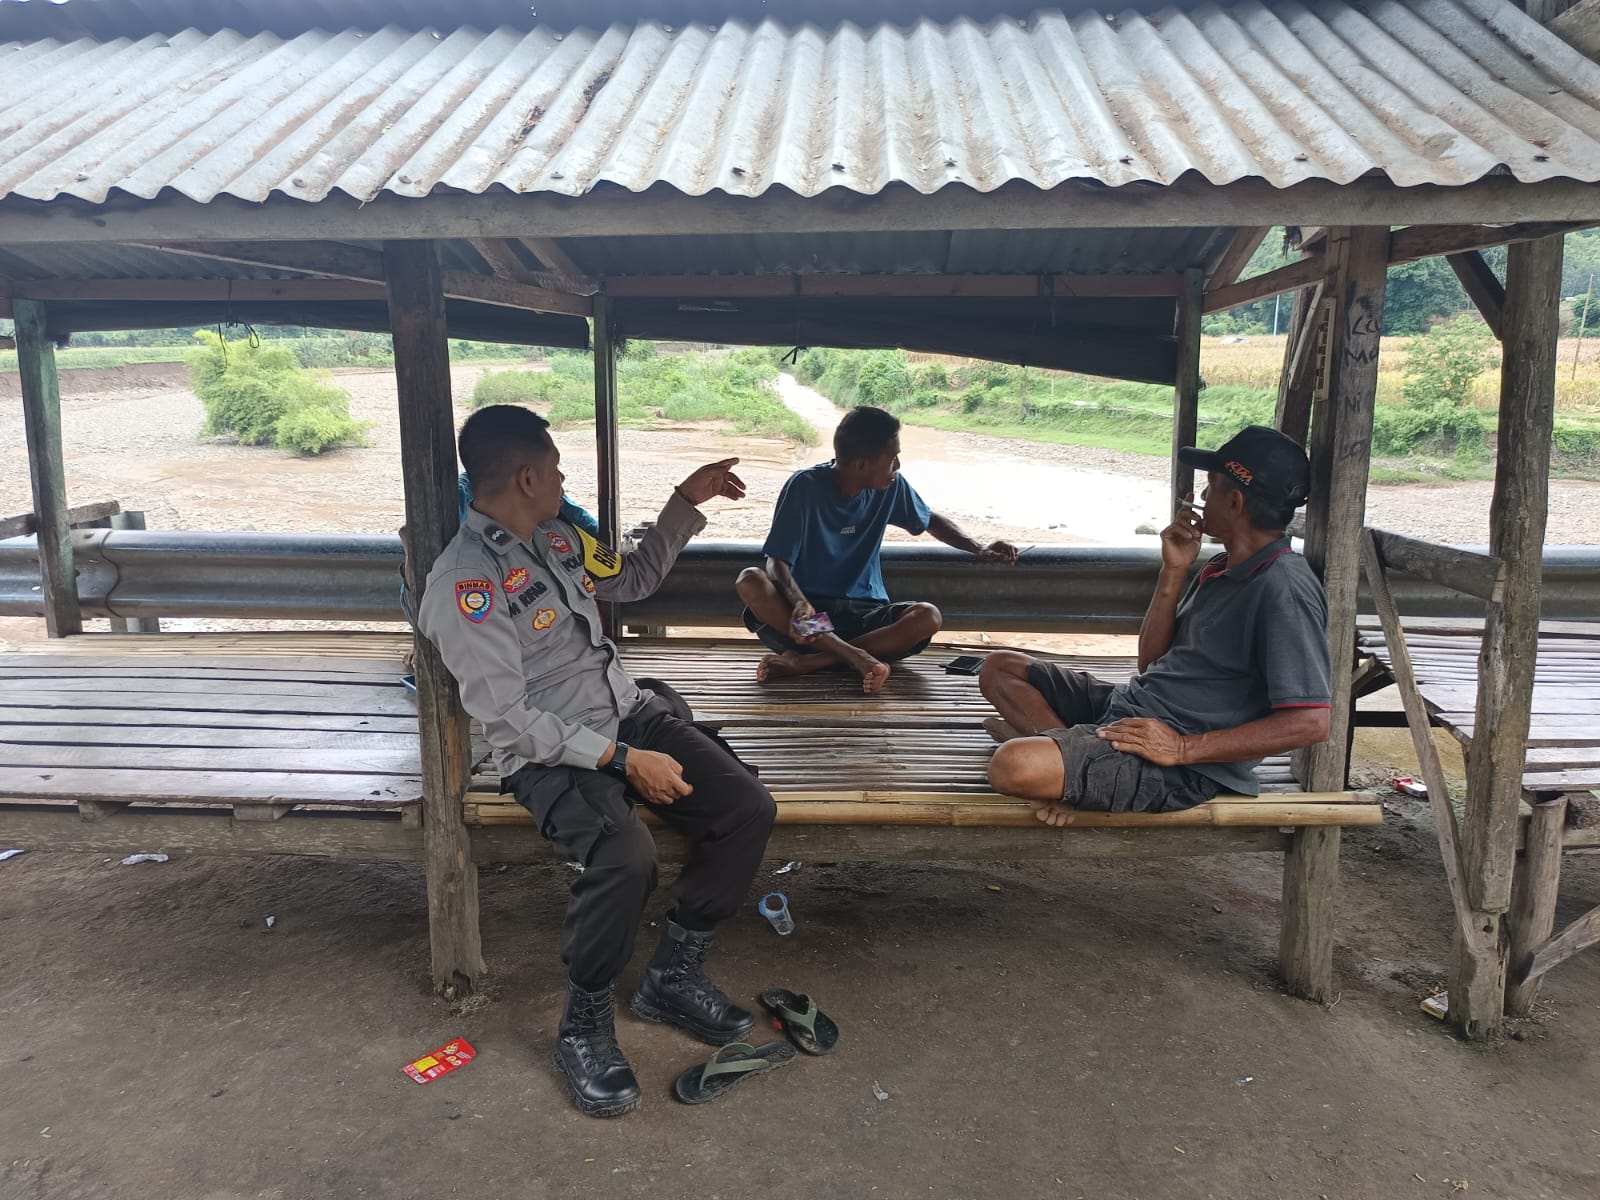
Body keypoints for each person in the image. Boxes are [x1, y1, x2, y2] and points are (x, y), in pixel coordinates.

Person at [417, 404, 774, 1119]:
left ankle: (673, 976)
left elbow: (632, 579)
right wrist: (624, 760)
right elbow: (509, 720)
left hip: (626, 711)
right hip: (548, 753)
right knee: (625, 855)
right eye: (554, 469)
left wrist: (685, 501)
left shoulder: (558, 539)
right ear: (526, 477)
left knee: (745, 807)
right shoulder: (466, 584)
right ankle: (583, 1024)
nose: (562, 480)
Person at [979, 425, 1331, 821]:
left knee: (1013, 765)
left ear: (1235, 502)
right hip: (1131, 710)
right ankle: (1065, 761)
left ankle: (1054, 761)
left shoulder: (1284, 588)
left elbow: (1311, 722)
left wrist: (1181, 748)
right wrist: (1173, 571)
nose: (1202, 497)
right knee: (999, 668)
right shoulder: (1222, 567)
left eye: (1212, 486)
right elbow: (1151, 663)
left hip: (1179, 765)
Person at [736, 405, 1018, 694]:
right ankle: (854, 656)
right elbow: (777, 562)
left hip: (864, 620)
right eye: (892, 457)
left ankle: (814, 662)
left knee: (928, 616)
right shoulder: (805, 486)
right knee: (750, 579)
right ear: (861, 465)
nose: (898, 465)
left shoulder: (892, 487)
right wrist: (799, 603)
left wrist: (979, 548)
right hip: (810, 622)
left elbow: (929, 520)